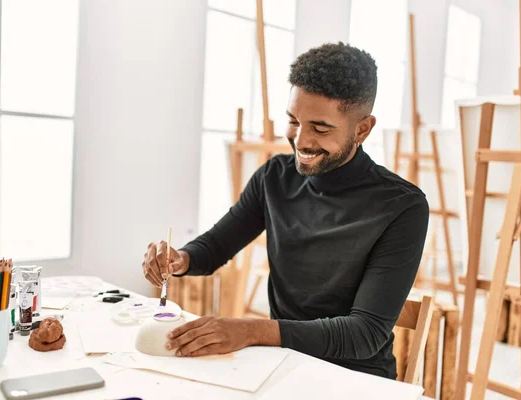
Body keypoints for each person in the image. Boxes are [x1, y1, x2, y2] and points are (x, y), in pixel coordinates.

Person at [141, 42, 429, 379]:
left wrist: (252, 331)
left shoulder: (401, 206)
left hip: (354, 378)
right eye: (294, 121)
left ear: (362, 129)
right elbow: (215, 247)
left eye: (320, 128)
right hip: (280, 365)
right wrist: (180, 260)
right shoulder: (274, 177)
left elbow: (364, 334)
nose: (301, 140)